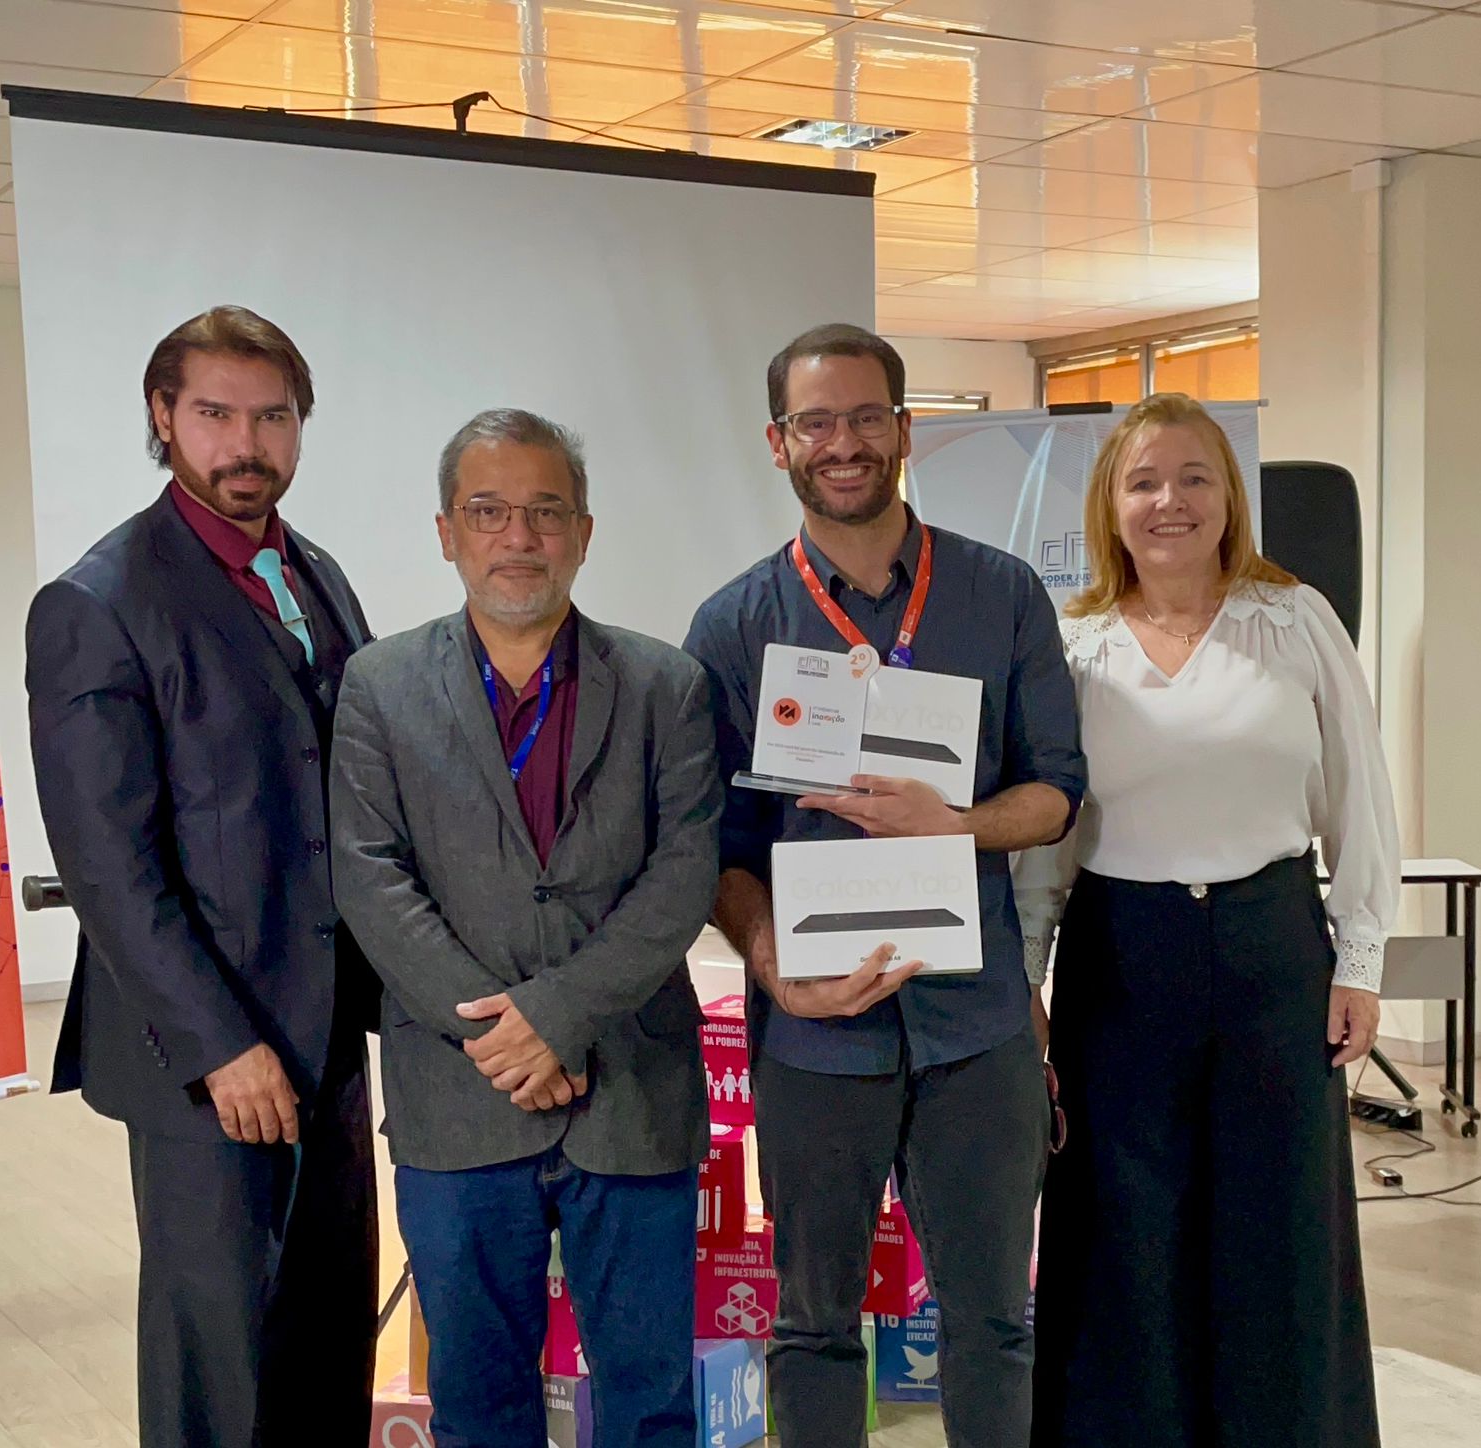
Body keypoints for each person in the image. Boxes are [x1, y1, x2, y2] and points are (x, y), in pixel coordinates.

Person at [685, 323, 1086, 1447]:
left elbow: (1055, 789)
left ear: (905, 429)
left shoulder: (999, 595)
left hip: (977, 1026)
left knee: (994, 1319)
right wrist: (771, 964)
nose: (843, 442)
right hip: (815, 1036)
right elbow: (716, 846)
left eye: (867, 416)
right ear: (778, 442)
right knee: (812, 1326)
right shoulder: (731, 625)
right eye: (816, 421)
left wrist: (955, 823)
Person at [331, 408, 720, 1448]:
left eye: (545, 511)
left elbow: (682, 876)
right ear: (446, 531)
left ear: (584, 533)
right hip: (459, 1099)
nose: (519, 536)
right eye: (489, 511)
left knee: (649, 1403)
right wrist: (496, 1036)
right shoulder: (377, 687)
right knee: (478, 1406)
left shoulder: (667, 686)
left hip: (630, 1092)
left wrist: (555, 1016)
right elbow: (371, 879)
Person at [25, 306, 379, 1447]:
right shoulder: (99, 599)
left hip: (327, 1041)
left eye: (271, 415)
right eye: (216, 413)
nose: (246, 442)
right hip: (207, 1055)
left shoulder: (310, 569)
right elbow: (110, 865)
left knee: (327, 1333)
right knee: (217, 1354)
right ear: (163, 418)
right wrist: (223, 1045)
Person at [1017, 392, 1399, 1447]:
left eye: (1194, 477)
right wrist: (1028, 980)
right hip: (1120, 955)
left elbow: (1361, 797)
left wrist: (1359, 955)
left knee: (1278, 1228)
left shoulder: (1294, 620)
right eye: (1143, 480)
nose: (1169, 501)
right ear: (1110, 504)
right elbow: (1050, 834)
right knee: (1123, 1231)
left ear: (1230, 496)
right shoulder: (1074, 643)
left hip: (1271, 945)